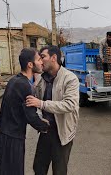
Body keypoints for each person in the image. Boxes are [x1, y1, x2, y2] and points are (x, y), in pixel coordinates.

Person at [0, 48, 50, 175]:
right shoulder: (24, 85)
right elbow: (30, 115)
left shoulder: (14, 80)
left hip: (4, 134)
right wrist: (45, 126)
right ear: (30, 64)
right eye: (39, 59)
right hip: (13, 138)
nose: (41, 62)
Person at [25, 45, 79, 175]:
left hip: (62, 133)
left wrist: (42, 104)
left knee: (59, 170)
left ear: (54, 58)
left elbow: (70, 104)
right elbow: (34, 99)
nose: (40, 61)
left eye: (43, 57)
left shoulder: (70, 78)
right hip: (46, 130)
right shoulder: (42, 79)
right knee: (38, 167)